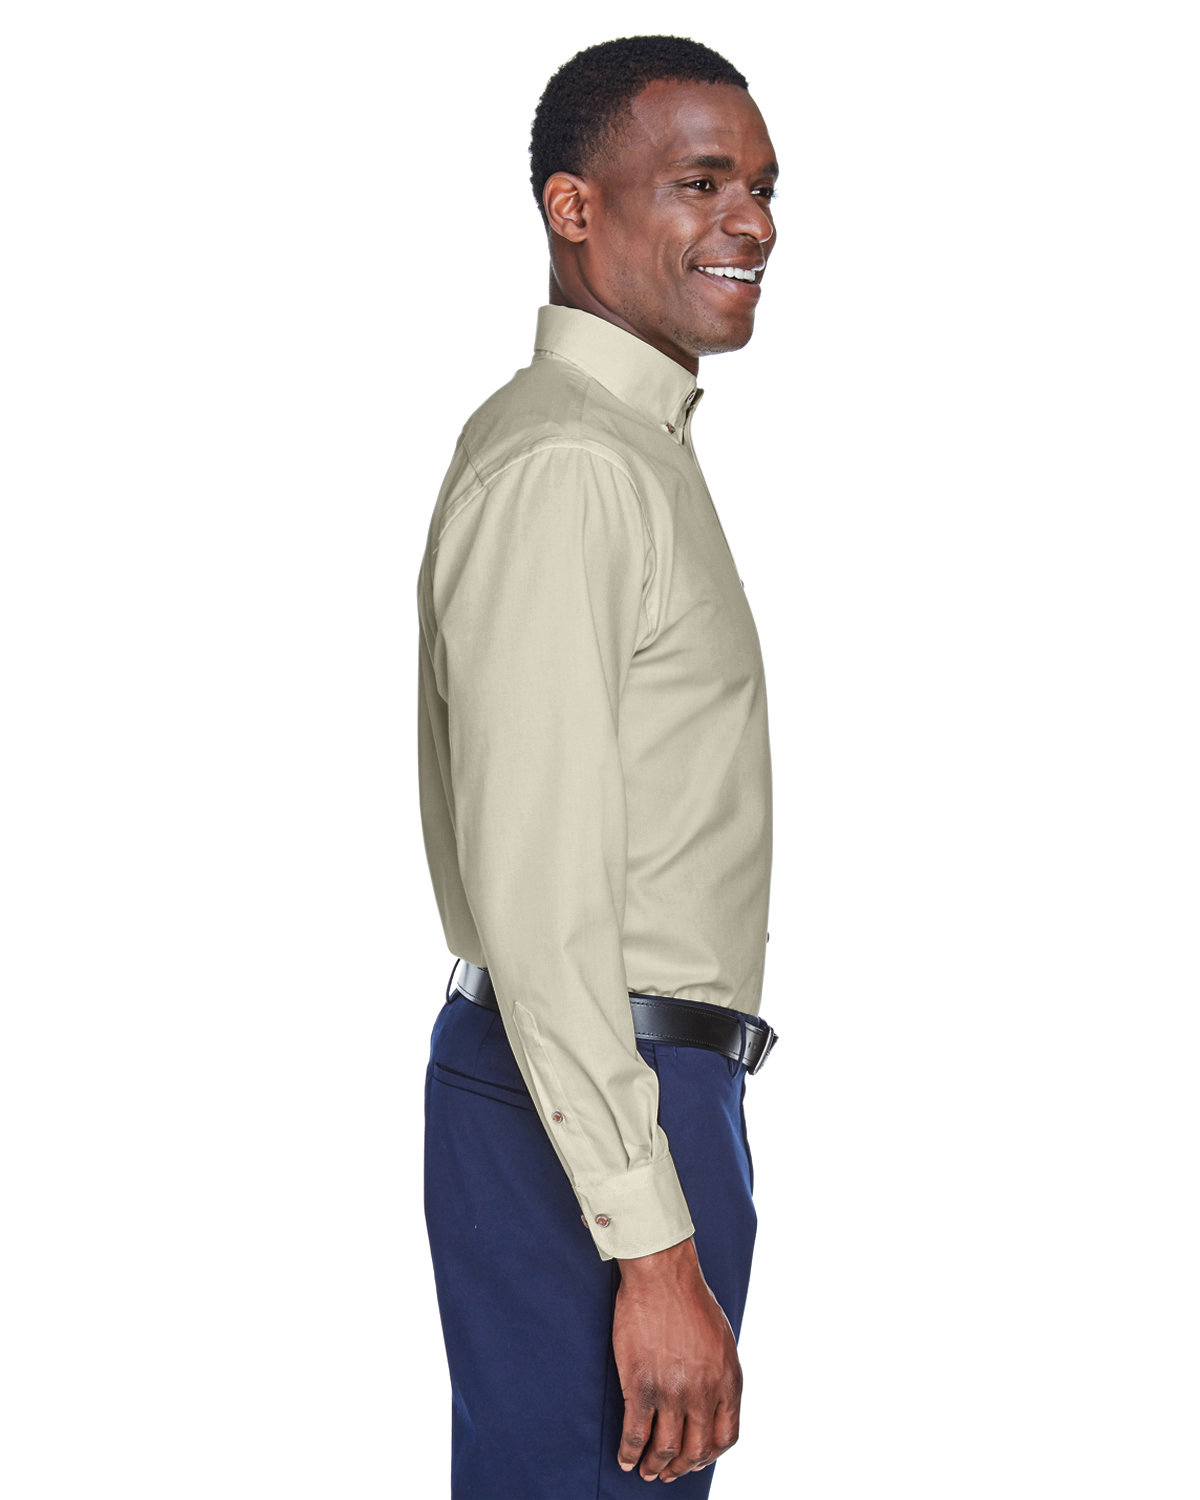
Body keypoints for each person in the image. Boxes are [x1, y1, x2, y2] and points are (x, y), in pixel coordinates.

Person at [416, 34, 781, 1496]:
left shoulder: (625, 448)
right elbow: (544, 893)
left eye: (762, 188)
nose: (750, 222)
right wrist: (653, 1244)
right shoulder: (573, 466)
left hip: (622, 1094)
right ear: (574, 209)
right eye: (702, 182)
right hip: (593, 1101)